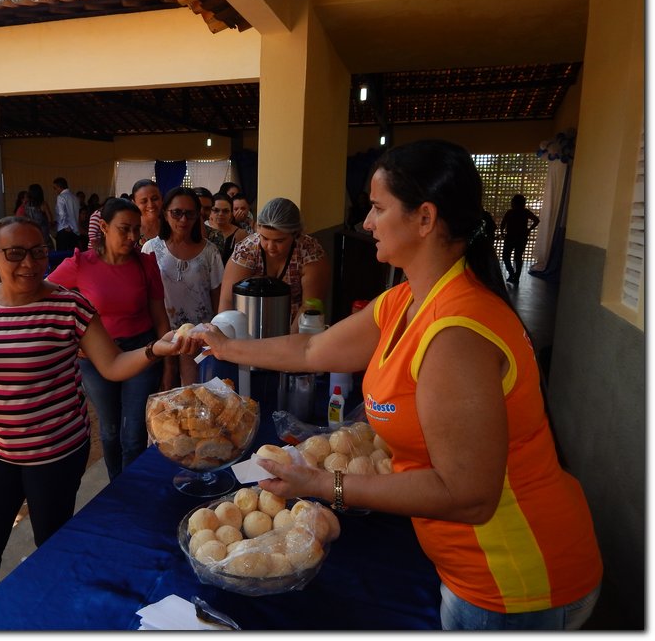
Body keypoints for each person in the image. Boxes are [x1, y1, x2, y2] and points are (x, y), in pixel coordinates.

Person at [188, 139, 602, 631]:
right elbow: (312, 349)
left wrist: (323, 484)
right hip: (469, 568)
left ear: (425, 218)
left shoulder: (456, 335)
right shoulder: (406, 299)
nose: (366, 223)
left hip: (512, 578)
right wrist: (225, 347)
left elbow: (468, 494)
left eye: (378, 208)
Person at [0, 215, 189, 621]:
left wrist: (154, 350)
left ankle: (55, 620)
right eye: (15, 253)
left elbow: (112, 365)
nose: (29, 263)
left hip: (57, 453)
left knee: (51, 545)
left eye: (38, 252)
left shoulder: (68, 306)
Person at [48, 198, 170, 480]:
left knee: (133, 433)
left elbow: (160, 317)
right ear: (103, 227)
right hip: (95, 359)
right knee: (110, 430)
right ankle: (116, 485)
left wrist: (168, 365)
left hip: (141, 353)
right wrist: (73, 339)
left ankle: (131, 489)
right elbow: (44, 293)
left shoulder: (145, 264)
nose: (132, 236)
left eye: (137, 229)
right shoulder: (81, 264)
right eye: (124, 229)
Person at [141, 187, 223, 386]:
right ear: (165, 213)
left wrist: (216, 334)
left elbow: (218, 297)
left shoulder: (210, 252)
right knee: (164, 387)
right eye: (177, 213)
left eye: (190, 214)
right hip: (161, 334)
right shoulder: (151, 249)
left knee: (193, 388)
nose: (183, 220)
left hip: (199, 337)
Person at [218, 197, 330, 331]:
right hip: (249, 328)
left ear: (295, 234)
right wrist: (226, 336)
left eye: (279, 241)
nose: (270, 247)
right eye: (265, 238)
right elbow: (228, 300)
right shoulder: (247, 251)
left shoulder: (309, 253)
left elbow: (309, 306)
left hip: (295, 328)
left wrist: (288, 341)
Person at [500, 194, 540, 285]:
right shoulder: (525, 212)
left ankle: (511, 273)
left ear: (514, 202)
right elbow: (537, 220)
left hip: (510, 237)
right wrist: (529, 229)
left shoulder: (510, 212)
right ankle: (516, 277)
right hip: (521, 238)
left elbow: (503, 223)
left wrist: (502, 233)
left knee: (506, 256)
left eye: (512, 201)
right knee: (518, 257)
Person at [206, 191, 247, 264]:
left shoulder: (240, 235)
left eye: (225, 211)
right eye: (216, 210)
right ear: (210, 212)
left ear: (231, 213)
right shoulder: (203, 230)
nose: (220, 214)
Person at [130, 178, 163, 247]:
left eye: (155, 199)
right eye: (144, 201)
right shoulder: (129, 233)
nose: (150, 205)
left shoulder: (172, 228)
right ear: (134, 204)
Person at [53, 176, 81, 251]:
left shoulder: (61, 197)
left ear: (59, 187)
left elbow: (61, 213)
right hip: (75, 231)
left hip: (64, 230)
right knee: (72, 254)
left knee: (62, 255)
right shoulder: (75, 197)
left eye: (55, 188)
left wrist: (65, 226)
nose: (55, 191)